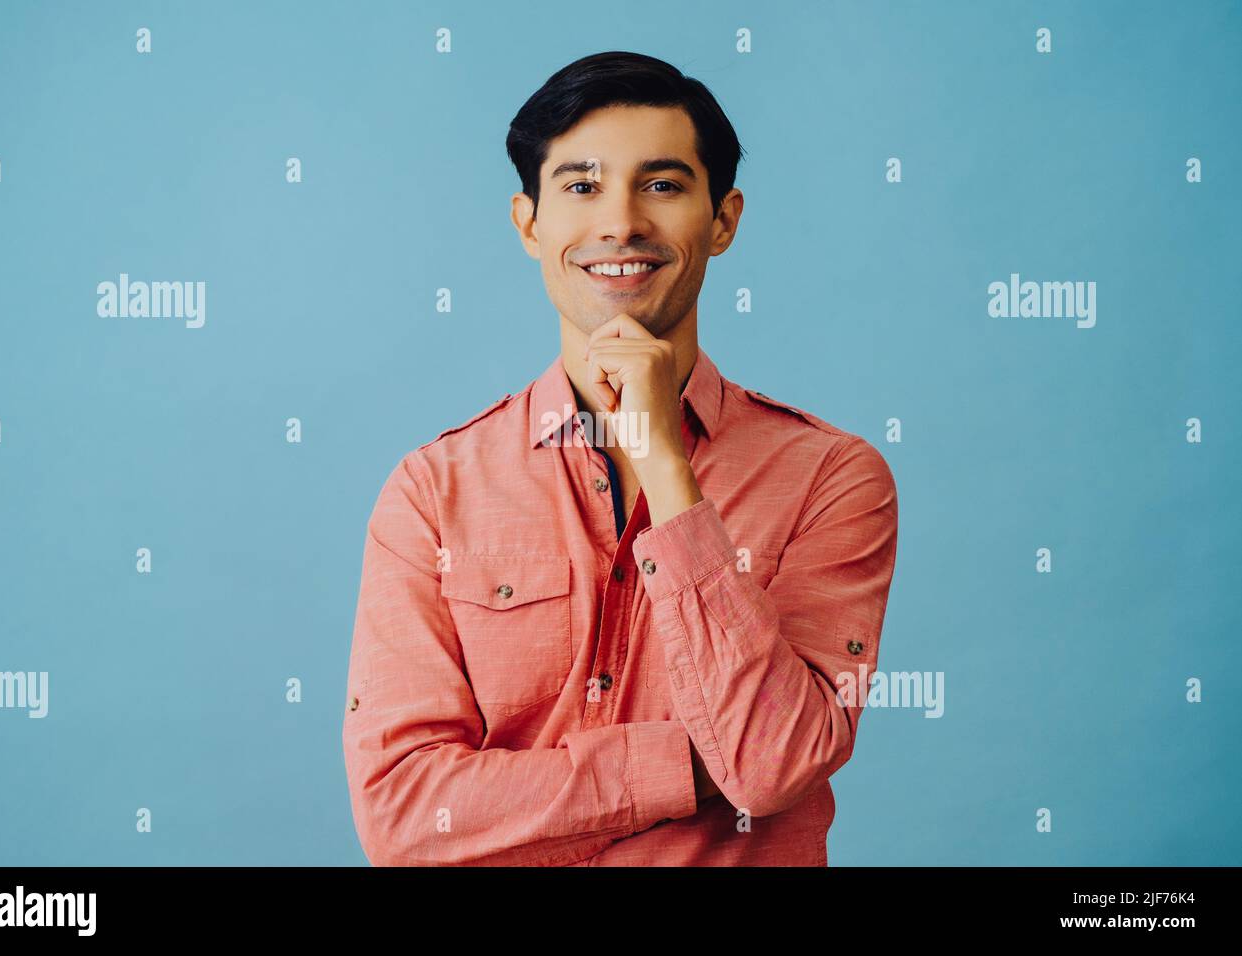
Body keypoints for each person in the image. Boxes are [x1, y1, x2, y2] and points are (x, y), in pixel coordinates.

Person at [341, 50, 899, 866]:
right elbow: (403, 816)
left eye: (663, 185)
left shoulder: (833, 478)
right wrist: (684, 765)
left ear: (723, 220)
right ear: (529, 224)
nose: (621, 224)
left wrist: (667, 469)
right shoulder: (433, 493)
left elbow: (773, 766)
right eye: (580, 187)